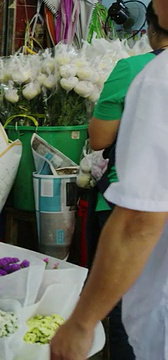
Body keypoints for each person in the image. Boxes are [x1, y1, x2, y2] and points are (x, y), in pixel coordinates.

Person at [50, 0, 168, 358]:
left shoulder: (151, 75)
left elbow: (138, 222)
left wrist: (82, 323)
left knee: (118, 316)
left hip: (128, 209)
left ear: (150, 26)